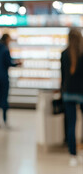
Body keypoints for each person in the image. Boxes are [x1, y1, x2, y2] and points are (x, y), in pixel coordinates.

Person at [61, 28, 83, 167]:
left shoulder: (64, 54)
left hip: (68, 93)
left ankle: (73, 154)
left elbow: (62, 76)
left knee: (71, 124)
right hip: (82, 93)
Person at [0, 33, 21, 128]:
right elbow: (9, 63)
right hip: (4, 77)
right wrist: (17, 63)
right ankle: (4, 120)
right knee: (4, 98)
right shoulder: (5, 49)